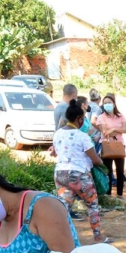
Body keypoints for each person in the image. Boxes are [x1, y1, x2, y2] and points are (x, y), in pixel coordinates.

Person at [52, 100, 107, 243]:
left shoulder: (58, 134)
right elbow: (95, 160)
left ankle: (57, 238)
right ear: (79, 119)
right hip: (79, 175)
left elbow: (57, 152)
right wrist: (102, 165)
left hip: (60, 174)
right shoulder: (82, 136)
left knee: (63, 208)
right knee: (92, 204)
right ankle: (98, 236)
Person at [96, 95, 126, 198]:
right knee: (108, 171)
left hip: (119, 145)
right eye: (105, 103)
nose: (107, 105)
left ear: (114, 104)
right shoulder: (101, 117)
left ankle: (120, 194)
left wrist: (113, 129)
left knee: (120, 171)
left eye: (109, 102)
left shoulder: (120, 115)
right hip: (107, 146)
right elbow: (105, 132)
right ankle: (108, 194)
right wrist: (116, 130)